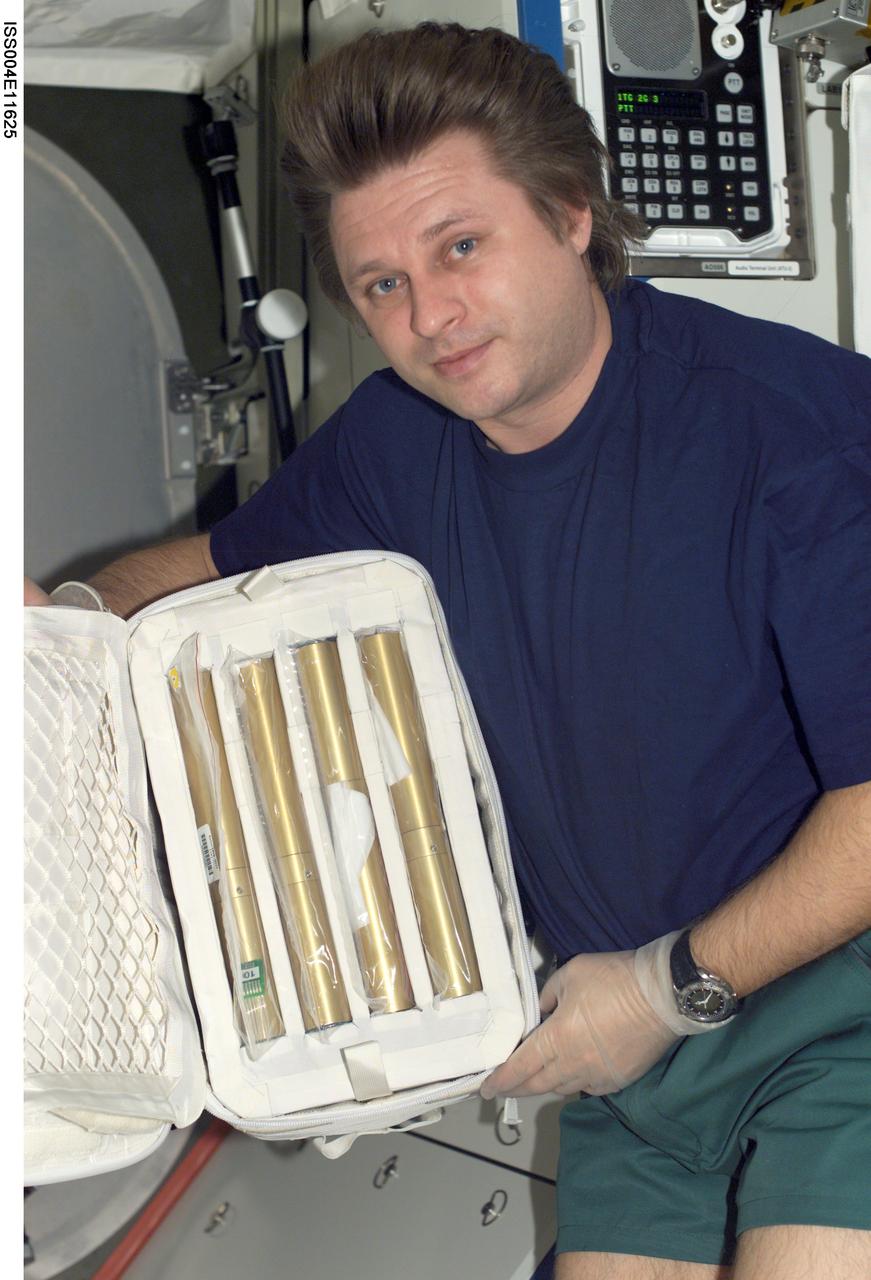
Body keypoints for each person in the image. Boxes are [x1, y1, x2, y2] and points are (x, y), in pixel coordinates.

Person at [27, 23, 871, 1280]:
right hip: (628, 1058)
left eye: (459, 246)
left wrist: (656, 992)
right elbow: (195, 576)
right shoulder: (396, 442)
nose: (427, 317)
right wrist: (57, 618)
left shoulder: (795, 430)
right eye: (378, 285)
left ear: (572, 214)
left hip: (826, 998)